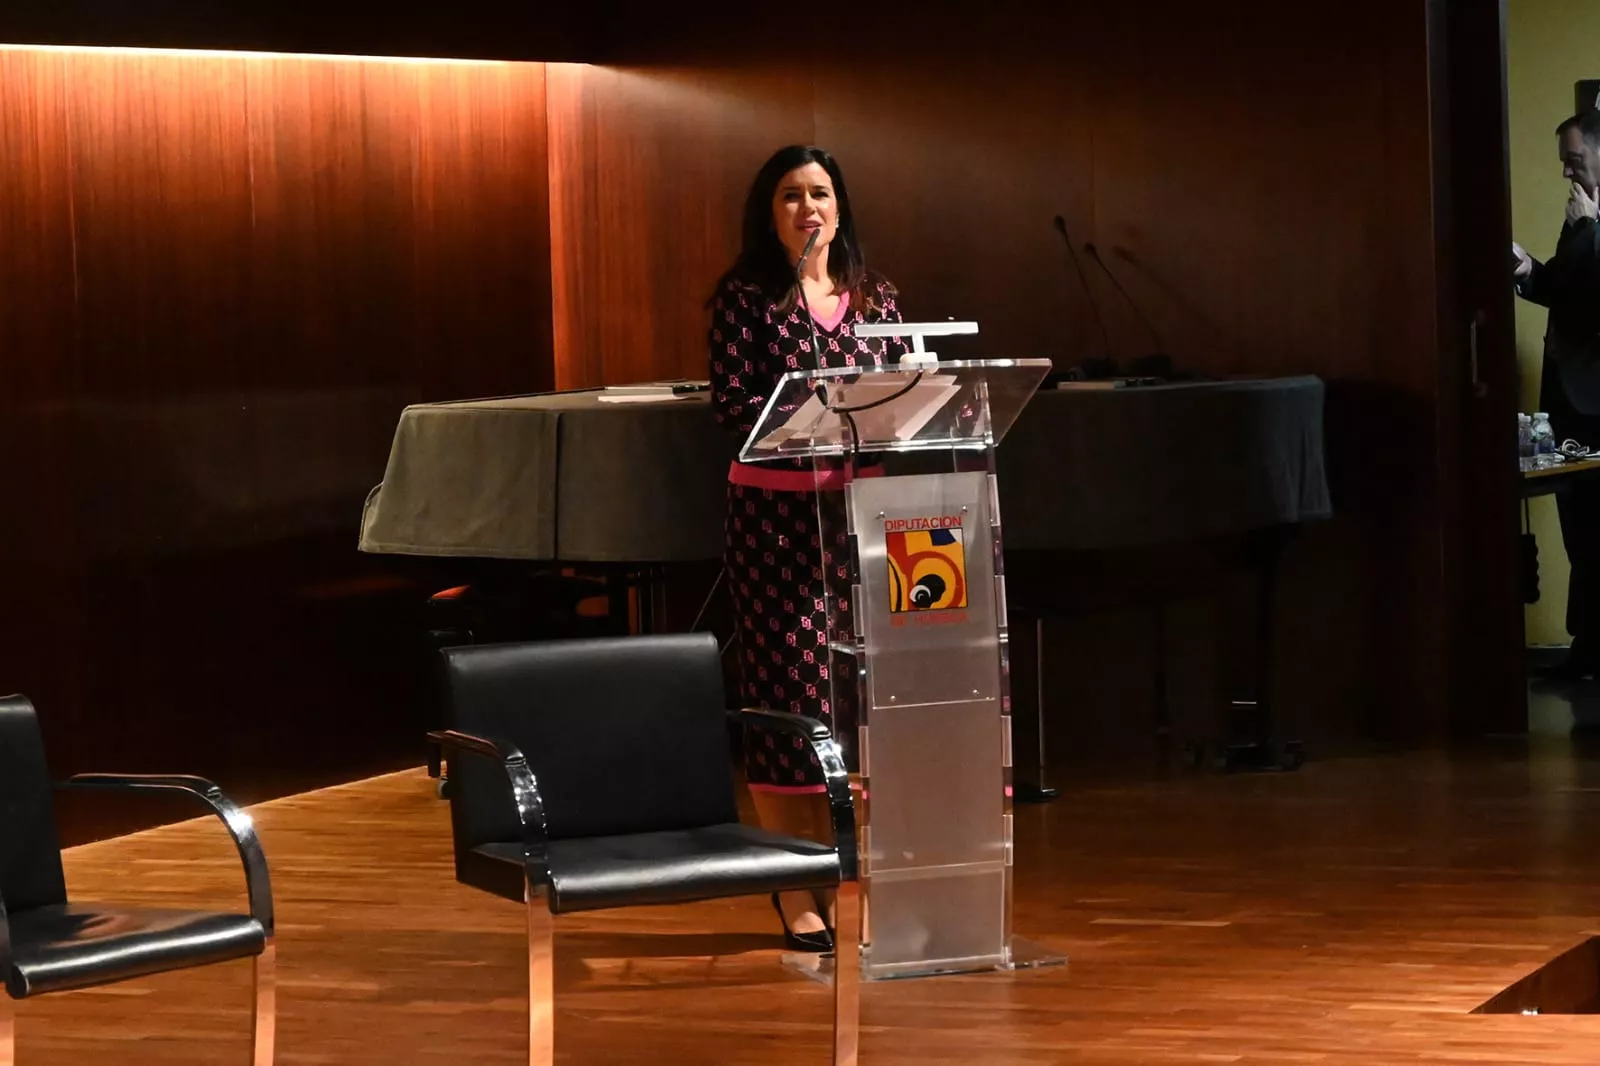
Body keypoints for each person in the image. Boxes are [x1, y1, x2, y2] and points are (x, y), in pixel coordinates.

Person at [707, 145, 909, 950]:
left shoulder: (878, 297)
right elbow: (732, 406)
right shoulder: (747, 299)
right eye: (791, 196)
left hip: (865, 520)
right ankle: (791, 884)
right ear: (770, 212)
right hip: (777, 526)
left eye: (820, 194)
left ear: (840, 206)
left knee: (859, 700)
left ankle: (848, 872)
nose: (808, 208)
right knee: (794, 699)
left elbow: (905, 390)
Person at [1514, 109, 1600, 678]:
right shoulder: (1581, 217)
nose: (1568, 174)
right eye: (1564, 163)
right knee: (1580, 529)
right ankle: (1588, 646)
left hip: (1597, 401)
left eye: (1574, 160)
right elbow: (1571, 296)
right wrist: (1526, 272)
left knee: (1597, 530)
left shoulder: (1589, 222)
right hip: (1569, 400)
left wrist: (1590, 232)